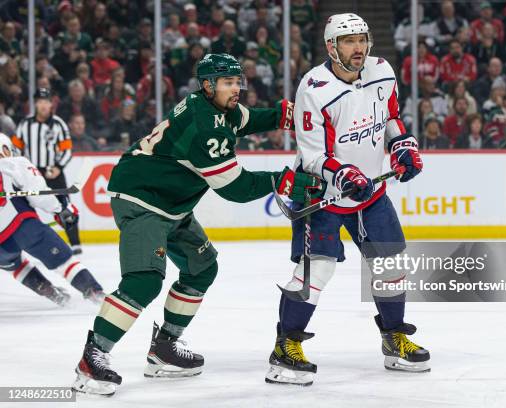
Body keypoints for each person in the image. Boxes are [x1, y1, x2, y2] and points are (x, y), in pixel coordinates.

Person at [71, 53, 320, 396]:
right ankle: (92, 356)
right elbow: (236, 188)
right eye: (227, 83)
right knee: (143, 280)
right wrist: (285, 181)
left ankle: (165, 348)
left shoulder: (218, 109)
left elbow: (249, 119)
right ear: (207, 85)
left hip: (172, 204)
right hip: (141, 199)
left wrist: (285, 115)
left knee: (202, 267)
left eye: (237, 82)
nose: (235, 89)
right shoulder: (205, 127)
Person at [265, 14, 430, 387]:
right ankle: (284, 348)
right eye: (349, 41)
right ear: (331, 47)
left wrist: (401, 145)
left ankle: (394, 338)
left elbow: (390, 118)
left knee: (390, 264)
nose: (359, 48)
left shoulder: (382, 71)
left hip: (370, 193)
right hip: (322, 193)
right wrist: (342, 173)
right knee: (316, 272)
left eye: (362, 39)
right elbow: (312, 155)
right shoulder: (314, 87)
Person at [0, 133, 104, 306]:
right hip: (23, 227)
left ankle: (49, 291)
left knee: (15, 265)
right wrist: (60, 210)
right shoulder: (16, 163)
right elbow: (38, 194)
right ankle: (94, 291)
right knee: (64, 261)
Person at [12, 88, 83, 255]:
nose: (44, 105)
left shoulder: (58, 124)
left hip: (54, 171)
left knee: (65, 206)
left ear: (51, 104)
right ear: (36, 104)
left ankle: (75, 243)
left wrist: (58, 167)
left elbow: (67, 149)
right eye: (40, 101)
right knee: (24, 207)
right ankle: (26, 244)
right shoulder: (25, 124)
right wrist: (21, 169)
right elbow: (15, 149)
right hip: (31, 173)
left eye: (47, 101)